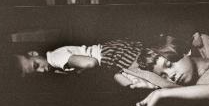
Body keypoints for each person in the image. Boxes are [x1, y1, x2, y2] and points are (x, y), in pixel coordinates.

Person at [13, 39, 144, 77]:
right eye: (35, 71)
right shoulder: (54, 57)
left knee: (143, 71)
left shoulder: (55, 58)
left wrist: (80, 71)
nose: (41, 71)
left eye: (36, 65)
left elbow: (90, 63)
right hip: (108, 49)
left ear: (34, 54)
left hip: (109, 56)